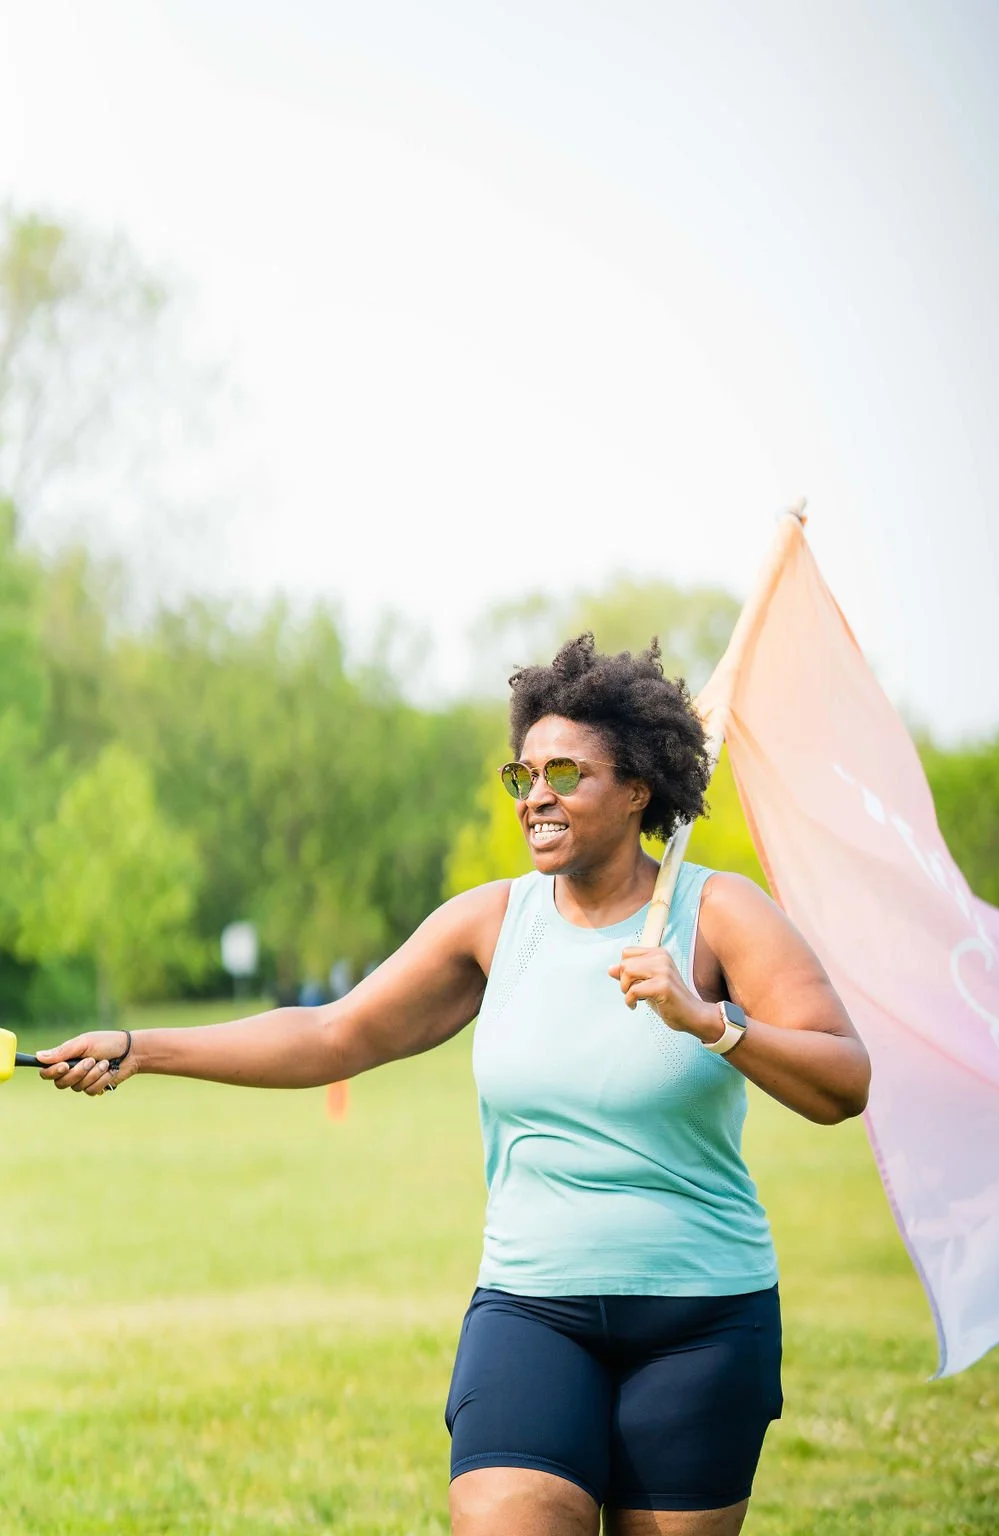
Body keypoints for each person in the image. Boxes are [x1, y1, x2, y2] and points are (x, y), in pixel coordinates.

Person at [40, 634, 871, 1536]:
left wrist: (708, 1021)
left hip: (702, 1319)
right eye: (523, 777)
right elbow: (331, 1033)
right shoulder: (492, 922)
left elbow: (843, 1079)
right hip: (532, 1307)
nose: (537, 797)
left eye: (565, 773)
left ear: (638, 790)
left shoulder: (720, 914)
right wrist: (144, 1047)